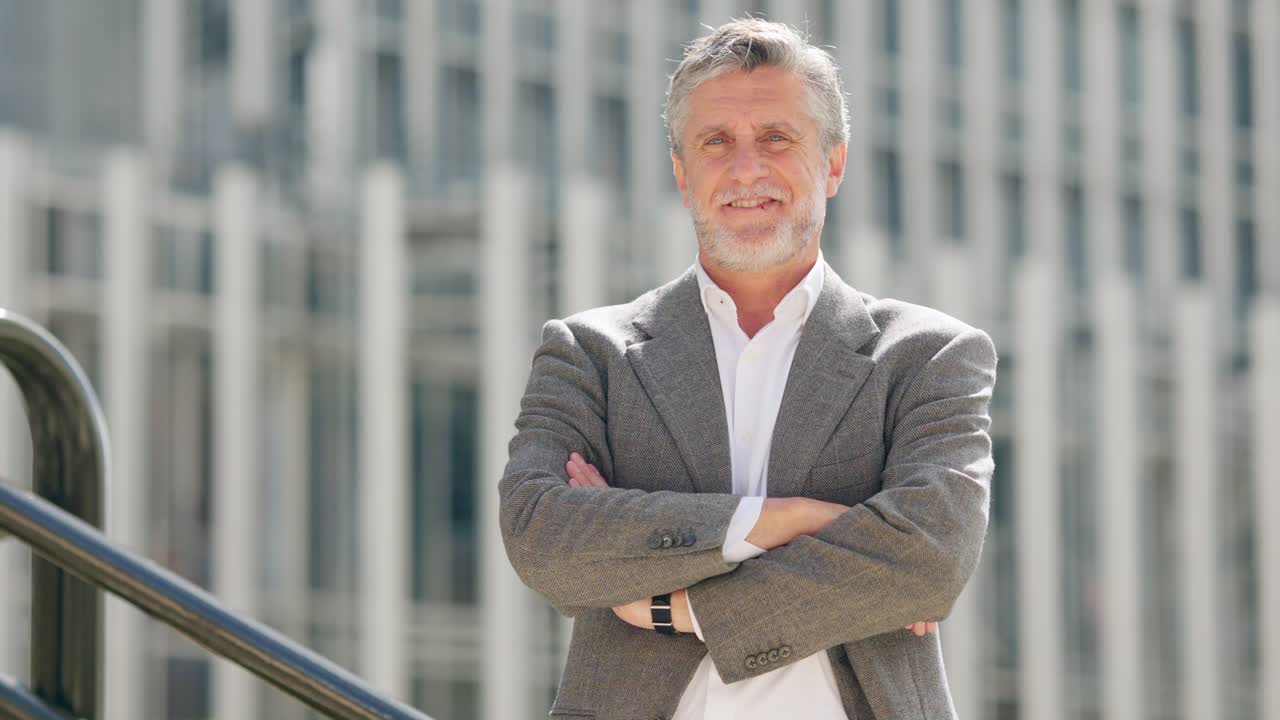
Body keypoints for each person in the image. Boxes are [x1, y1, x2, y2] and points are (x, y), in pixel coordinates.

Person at [499, 18, 997, 720]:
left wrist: (672, 608)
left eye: (776, 138)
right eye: (716, 142)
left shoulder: (929, 357)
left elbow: (926, 564)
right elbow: (543, 539)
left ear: (832, 162)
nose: (746, 169)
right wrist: (784, 520)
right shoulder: (592, 353)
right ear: (681, 171)